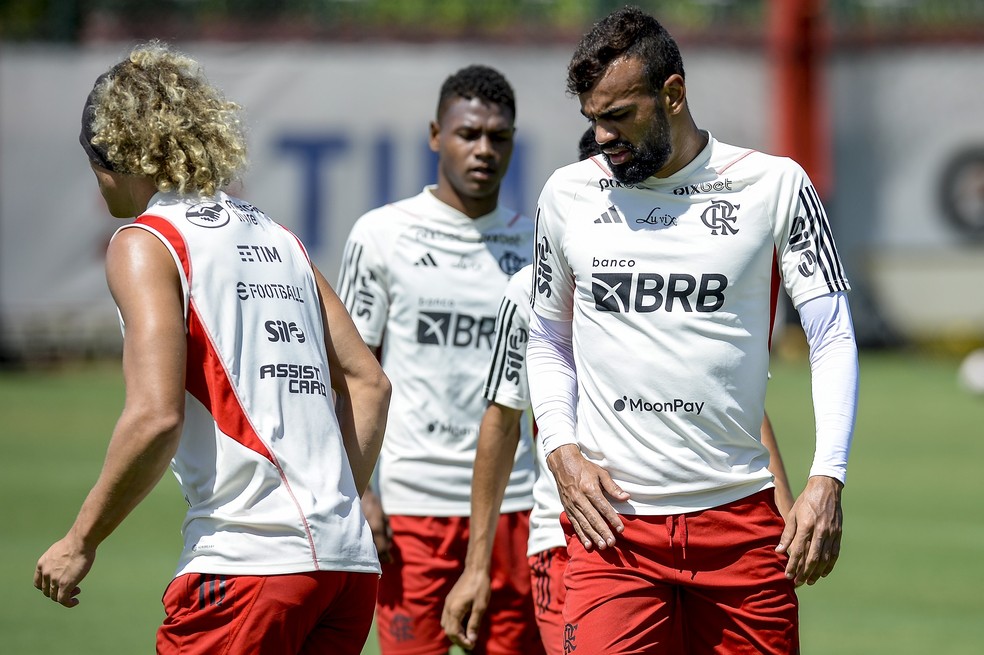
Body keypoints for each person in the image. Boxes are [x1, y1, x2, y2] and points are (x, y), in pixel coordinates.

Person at [34, 42, 391, 655]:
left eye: (94, 163)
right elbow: (370, 382)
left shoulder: (146, 241)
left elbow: (154, 417)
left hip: (247, 567)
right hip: (345, 569)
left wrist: (79, 540)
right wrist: (331, 504)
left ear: (119, 153)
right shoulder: (280, 237)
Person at [527, 6, 859, 654]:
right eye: (592, 120)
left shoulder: (774, 185)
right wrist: (561, 447)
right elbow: (548, 338)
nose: (601, 137)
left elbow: (832, 333)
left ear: (673, 93)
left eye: (618, 116)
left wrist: (827, 475)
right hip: (613, 530)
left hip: (740, 523)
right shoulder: (566, 195)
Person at [336, 65, 542, 655]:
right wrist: (360, 492)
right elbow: (346, 377)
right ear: (435, 135)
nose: (484, 150)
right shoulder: (381, 236)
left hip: (514, 510)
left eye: (498, 137)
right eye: (468, 133)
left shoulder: (536, 245)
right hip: (410, 511)